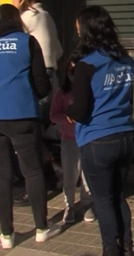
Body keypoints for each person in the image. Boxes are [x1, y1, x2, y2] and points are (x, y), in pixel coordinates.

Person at [0, 4, 60, 250]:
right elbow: (41, 82)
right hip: (20, 113)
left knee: (0, 174)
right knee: (33, 171)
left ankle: (6, 234)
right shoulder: (26, 42)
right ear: (17, 20)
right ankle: (41, 228)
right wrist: (38, 98)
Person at [66, 5, 134, 256]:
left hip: (97, 139)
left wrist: (69, 112)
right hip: (126, 136)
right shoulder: (127, 61)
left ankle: (111, 250)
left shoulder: (87, 65)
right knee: (118, 197)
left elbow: (82, 109)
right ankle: (126, 247)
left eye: (78, 30)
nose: (77, 34)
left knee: (103, 200)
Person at [12, 0, 63, 207]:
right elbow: (59, 50)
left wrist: (14, 10)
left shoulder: (28, 17)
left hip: (36, 79)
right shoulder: (47, 16)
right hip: (51, 76)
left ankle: (41, 180)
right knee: (36, 134)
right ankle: (51, 175)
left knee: (29, 134)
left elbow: (10, 37)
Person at [50, 61, 94, 224]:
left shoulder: (90, 90)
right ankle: (69, 205)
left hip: (88, 138)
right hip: (69, 139)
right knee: (70, 175)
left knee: (87, 175)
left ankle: (86, 203)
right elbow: (53, 115)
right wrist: (65, 118)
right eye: (70, 70)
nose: (73, 74)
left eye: (76, 70)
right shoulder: (62, 92)